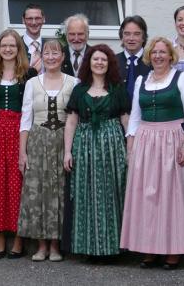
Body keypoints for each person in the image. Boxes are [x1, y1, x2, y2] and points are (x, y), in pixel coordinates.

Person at [120, 37, 184, 270]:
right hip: (145, 140)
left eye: (162, 52)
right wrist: (131, 147)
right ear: (149, 56)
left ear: (170, 55)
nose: (158, 56)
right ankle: (148, 250)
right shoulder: (141, 81)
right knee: (145, 196)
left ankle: (172, 251)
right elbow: (134, 117)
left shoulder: (181, 78)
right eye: (154, 52)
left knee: (170, 196)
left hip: (171, 138)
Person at [63, 44, 129, 261]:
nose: (99, 63)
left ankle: (113, 248)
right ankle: (90, 247)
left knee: (113, 193)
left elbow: (125, 118)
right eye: (95, 59)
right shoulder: (79, 90)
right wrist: (67, 152)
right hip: (84, 147)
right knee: (86, 193)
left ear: (109, 64)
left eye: (103, 60)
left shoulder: (117, 88)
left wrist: (131, 148)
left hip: (112, 145)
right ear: (88, 63)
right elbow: (72, 121)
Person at [17, 39, 76, 262]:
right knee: (38, 191)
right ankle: (41, 245)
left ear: (62, 56)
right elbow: (25, 119)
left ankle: (56, 245)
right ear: (41, 56)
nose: (51, 57)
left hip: (63, 141)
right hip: (38, 140)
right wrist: (23, 153)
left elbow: (74, 118)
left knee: (59, 191)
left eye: (55, 53)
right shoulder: (32, 83)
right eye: (47, 53)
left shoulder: (73, 82)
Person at [0, 29, 36, 258]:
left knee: (17, 186)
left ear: (18, 48)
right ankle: (0, 239)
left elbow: (30, 110)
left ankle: (19, 240)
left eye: (12, 45)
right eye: (4, 45)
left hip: (18, 131)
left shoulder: (28, 74)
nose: (8, 49)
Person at [117, 15, 151, 98]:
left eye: (136, 34)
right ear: (122, 37)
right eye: (127, 34)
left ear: (143, 37)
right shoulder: (112, 62)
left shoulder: (152, 62)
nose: (131, 38)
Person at [21, 3, 45, 72]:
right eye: (29, 18)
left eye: (37, 18)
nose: (34, 22)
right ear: (23, 20)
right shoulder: (15, 46)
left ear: (43, 19)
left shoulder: (50, 47)